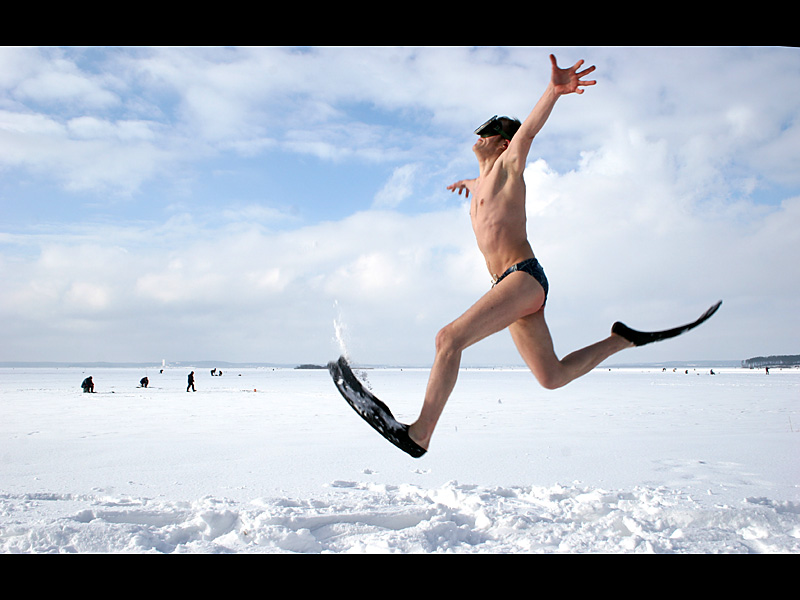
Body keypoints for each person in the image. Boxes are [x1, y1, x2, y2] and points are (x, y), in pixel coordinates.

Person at [405, 55, 635, 453]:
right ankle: (620, 341)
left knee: (448, 339)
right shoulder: (480, 182)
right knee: (551, 376)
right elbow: (479, 184)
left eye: (488, 134)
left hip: (522, 277)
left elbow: (526, 134)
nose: (479, 138)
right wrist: (467, 183)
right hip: (510, 286)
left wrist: (554, 91)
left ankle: (421, 433)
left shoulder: (508, 167)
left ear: (503, 144)